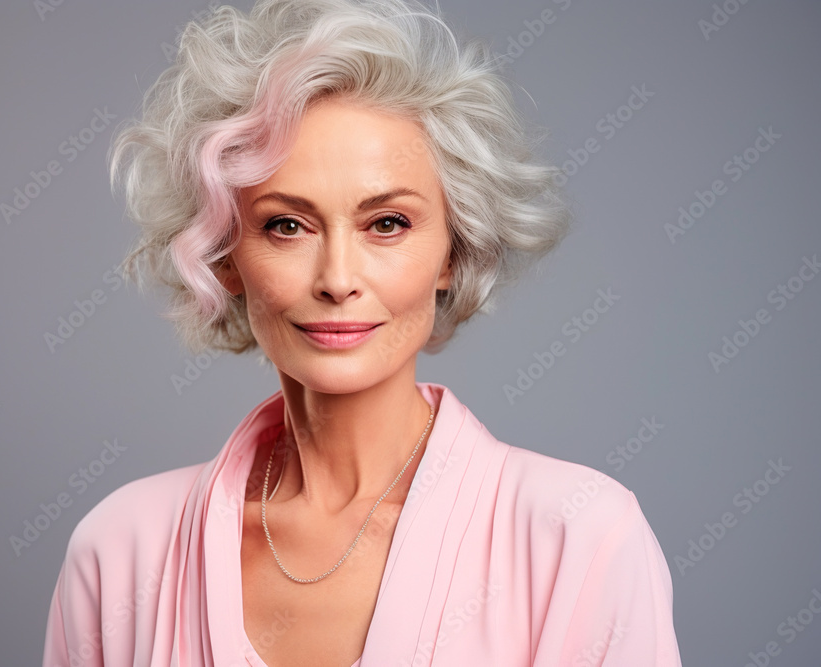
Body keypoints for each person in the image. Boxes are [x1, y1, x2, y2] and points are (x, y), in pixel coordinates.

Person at [42, 0, 683, 665]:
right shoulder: (122, 550)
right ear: (225, 257)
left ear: (453, 254)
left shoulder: (577, 539)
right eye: (287, 225)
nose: (338, 278)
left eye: (387, 224)